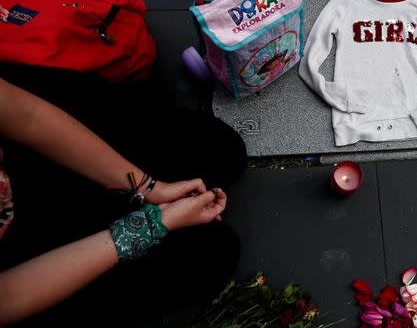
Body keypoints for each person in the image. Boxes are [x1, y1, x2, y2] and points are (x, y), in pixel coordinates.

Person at [0, 64, 246, 326]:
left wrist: (149, 187)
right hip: (23, 273)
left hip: (23, 161)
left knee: (222, 152)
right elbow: (8, 297)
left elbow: (27, 118)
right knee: (212, 251)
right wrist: (150, 225)